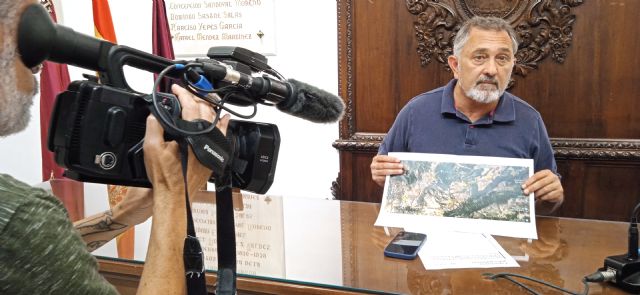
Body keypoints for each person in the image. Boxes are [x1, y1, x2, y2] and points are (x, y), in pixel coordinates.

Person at [0, 0, 230, 294]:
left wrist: (122, 216)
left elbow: (23, 253)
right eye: (28, 38)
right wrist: (174, 195)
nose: (38, 66)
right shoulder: (18, 214)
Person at [370, 16, 563, 214]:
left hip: (502, 242)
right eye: (479, 57)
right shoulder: (415, 112)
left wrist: (551, 196)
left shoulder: (530, 121)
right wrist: (380, 174)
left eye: (502, 59)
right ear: (455, 65)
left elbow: (543, 203)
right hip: (429, 240)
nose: (491, 70)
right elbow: (388, 180)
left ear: (513, 65)